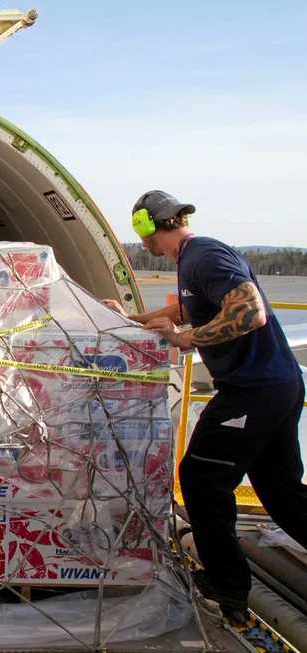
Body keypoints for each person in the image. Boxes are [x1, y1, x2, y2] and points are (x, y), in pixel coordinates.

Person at [103, 190, 307, 624]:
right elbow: (186, 309)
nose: (141, 239)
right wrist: (124, 321)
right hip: (277, 385)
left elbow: (250, 312)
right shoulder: (193, 259)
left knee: (201, 478)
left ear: (147, 225)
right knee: (282, 492)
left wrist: (186, 340)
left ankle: (228, 588)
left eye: (139, 229)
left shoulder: (204, 256)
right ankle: (230, 583)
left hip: (251, 391)